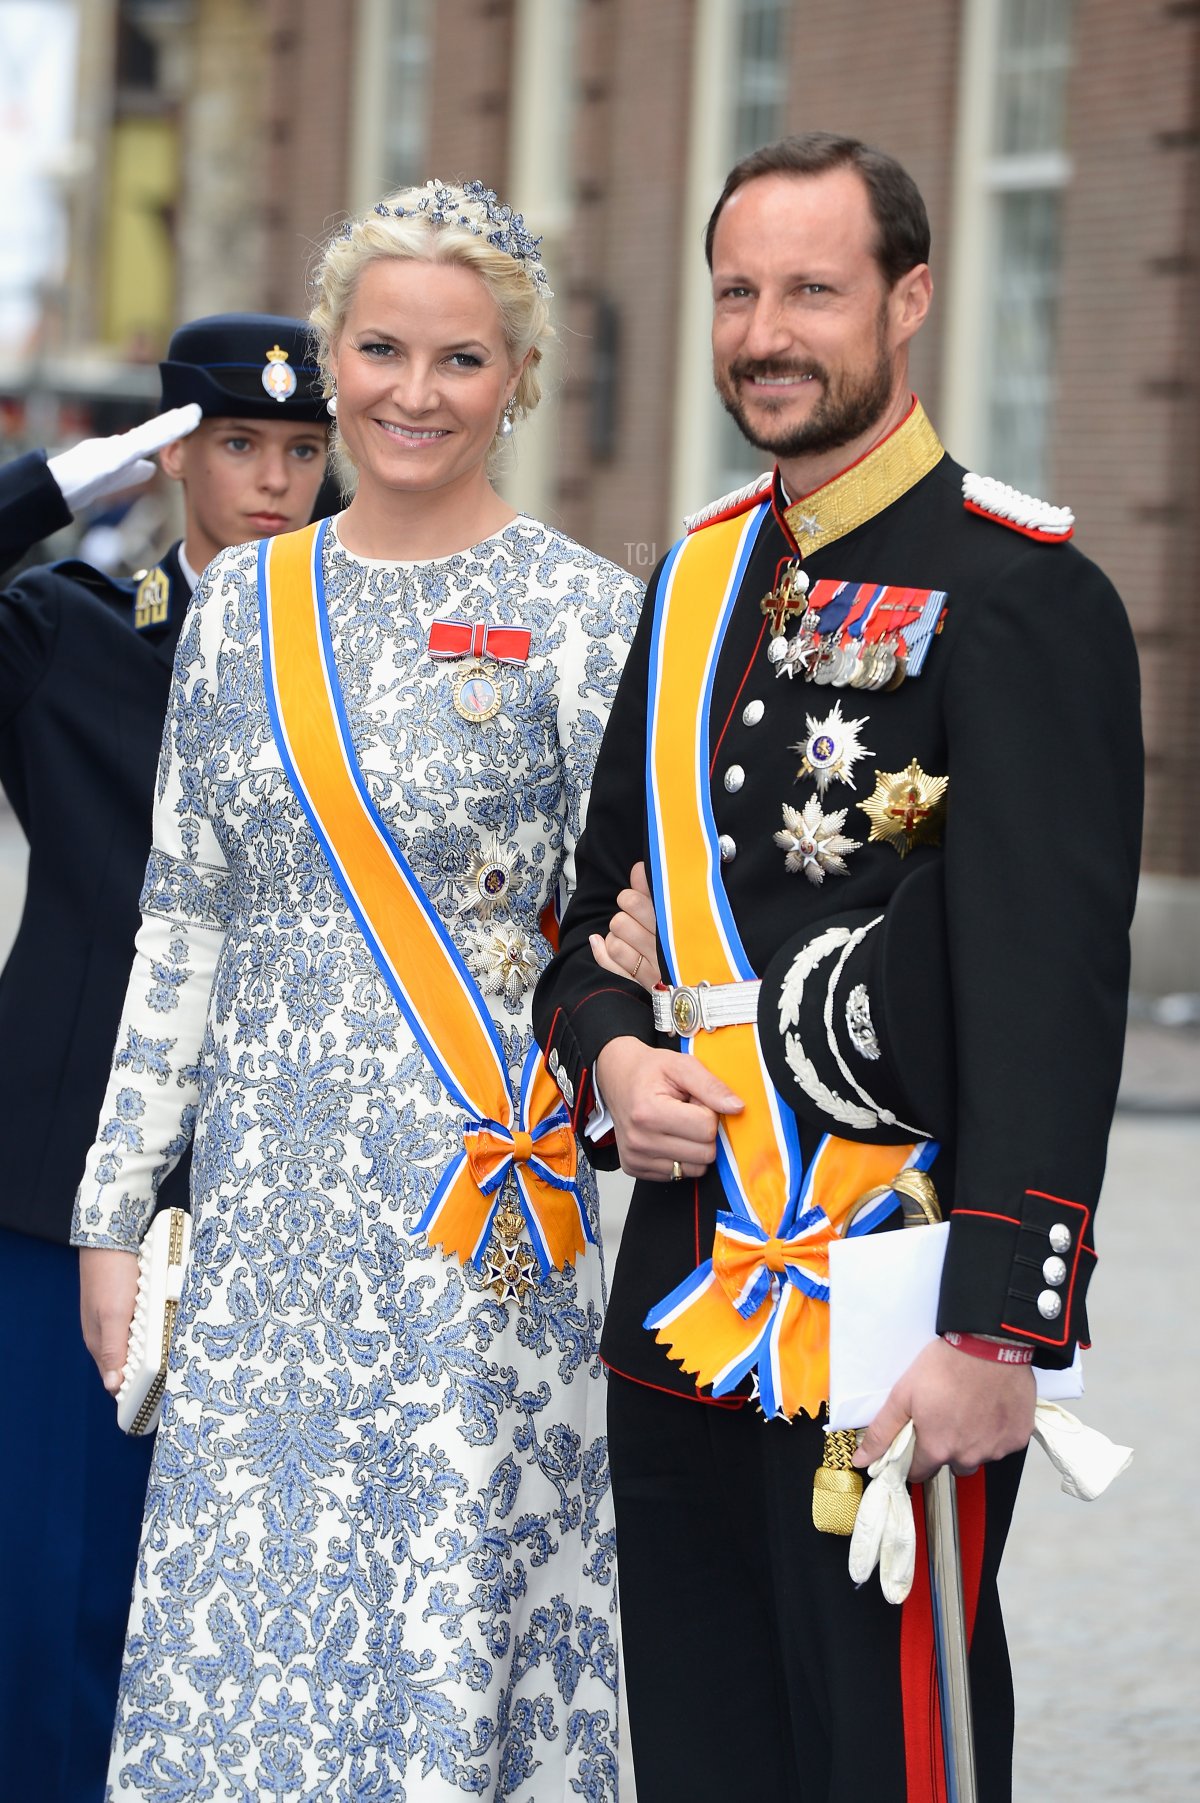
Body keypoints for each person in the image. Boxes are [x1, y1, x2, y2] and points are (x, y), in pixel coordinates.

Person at [533, 132, 1142, 1803]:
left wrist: (1000, 1336)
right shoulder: (701, 578)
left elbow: (1051, 994)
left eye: (812, 289)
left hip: (894, 1309)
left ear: (910, 298)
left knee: (889, 1760)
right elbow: (588, 923)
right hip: (684, 1304)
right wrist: (610, 1059)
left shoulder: (1021, 594)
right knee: (710, 1758)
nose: (765, 331)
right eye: (738, 291)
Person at [73, 180, 642, 1799]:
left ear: (518, 378)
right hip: (266, 1219)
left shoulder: (585, 615)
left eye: (461, 360)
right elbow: (182, 913)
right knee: (255, 1627)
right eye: (380, 349)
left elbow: (632, 926)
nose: (412, 391)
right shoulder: (239, 605)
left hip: (475, 1215)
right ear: (329, 357)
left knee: (447, 1618)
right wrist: (120, 1205)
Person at [0, 313, 329, 1803]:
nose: (271, 480)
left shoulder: (358, 656)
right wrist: (74, 478)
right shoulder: (73, 634)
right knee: (50, 1585)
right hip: (59, 1176)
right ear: (178, 451)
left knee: (249, 1593)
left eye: (302, 450)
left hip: (283, 1186)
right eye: (236, 445)